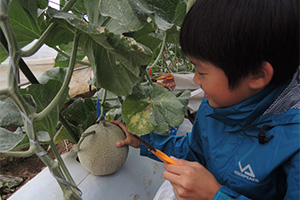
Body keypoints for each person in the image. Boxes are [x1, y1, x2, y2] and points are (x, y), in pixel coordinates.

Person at [113, 0, 300, 199]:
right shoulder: (215, 106)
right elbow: (196, 151)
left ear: (257, 75)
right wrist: (145, 142)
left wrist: (213, 195)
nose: (195, 79)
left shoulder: (294, 140)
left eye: (202, 71)